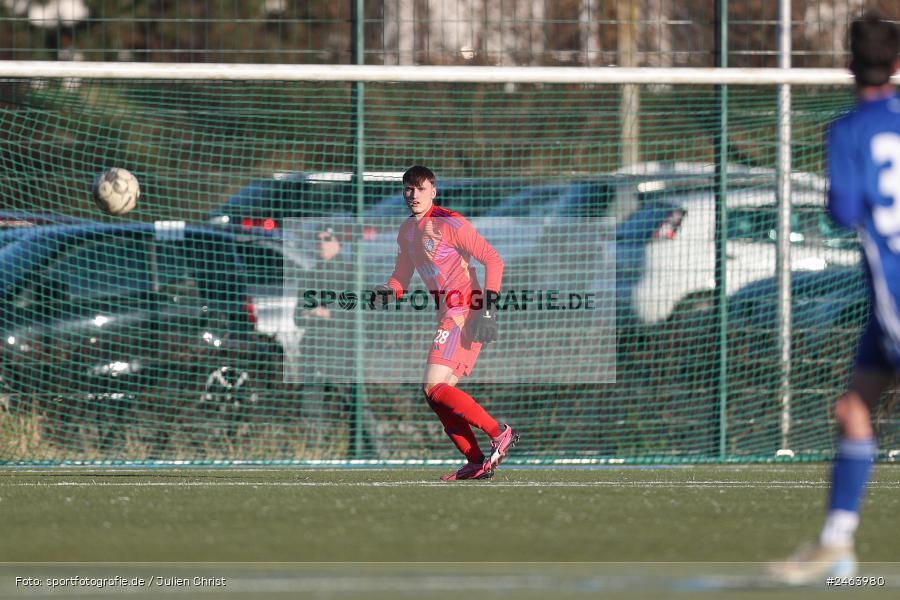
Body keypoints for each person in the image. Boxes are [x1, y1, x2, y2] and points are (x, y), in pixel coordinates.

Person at [768, 13, 899, 584]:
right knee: (852, 409)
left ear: (849, 66)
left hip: (896, 295)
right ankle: (836, 547)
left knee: (856, 410)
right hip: (884, 305)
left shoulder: (848, 131)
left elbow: (843, 211)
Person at [371, 165, 517, 481]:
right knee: (437, 393)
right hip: (449, 311)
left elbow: (493, 259)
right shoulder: (406, 231)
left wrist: (489, 310)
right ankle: (477, 460)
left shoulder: (449, 223)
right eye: (408, 189)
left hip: (466, 309)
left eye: (420, 188)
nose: (413, 195)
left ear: (433, 191)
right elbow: (401, 277)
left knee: (433, 386)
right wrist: (387, 291)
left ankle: (498, 432)